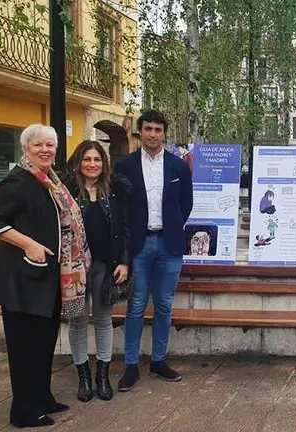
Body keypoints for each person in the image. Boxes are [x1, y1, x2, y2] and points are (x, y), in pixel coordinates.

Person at [0, 124, 90, 427]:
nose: (45, 150)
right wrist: (28, 244)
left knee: (43, 346)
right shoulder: (18, 181)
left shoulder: (48, 182)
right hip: (22, 283)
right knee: (25, 350)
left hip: (47, 282)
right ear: (26, 148)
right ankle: (23, 411)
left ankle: (42, 398)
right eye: (38, 145)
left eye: (50, 146)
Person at [114, 110, 193, 391]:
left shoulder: (178, 167)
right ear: (140, 132)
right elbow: (120, 209)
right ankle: (132, 366)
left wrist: (171, 228)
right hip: (139, 245)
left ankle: (159, 361)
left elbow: (186, 204)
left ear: (164, 133)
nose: (152, 134)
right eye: (148, 129)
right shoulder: (125, 166)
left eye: (158, 130)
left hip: (169, 245)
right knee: (135, 306)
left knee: (164, 305)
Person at [63, 140, 131, 402]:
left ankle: (102, 376)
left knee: (104, 320)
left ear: (104, 163)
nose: (93, 164)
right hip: (74, 270)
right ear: (79, 162)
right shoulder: (67, 191)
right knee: (77, 321)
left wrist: (124, 262)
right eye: (87, 159)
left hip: (105, 266)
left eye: (97, 159)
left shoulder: (114, 191)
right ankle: (83, 378)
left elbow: (125, 229)